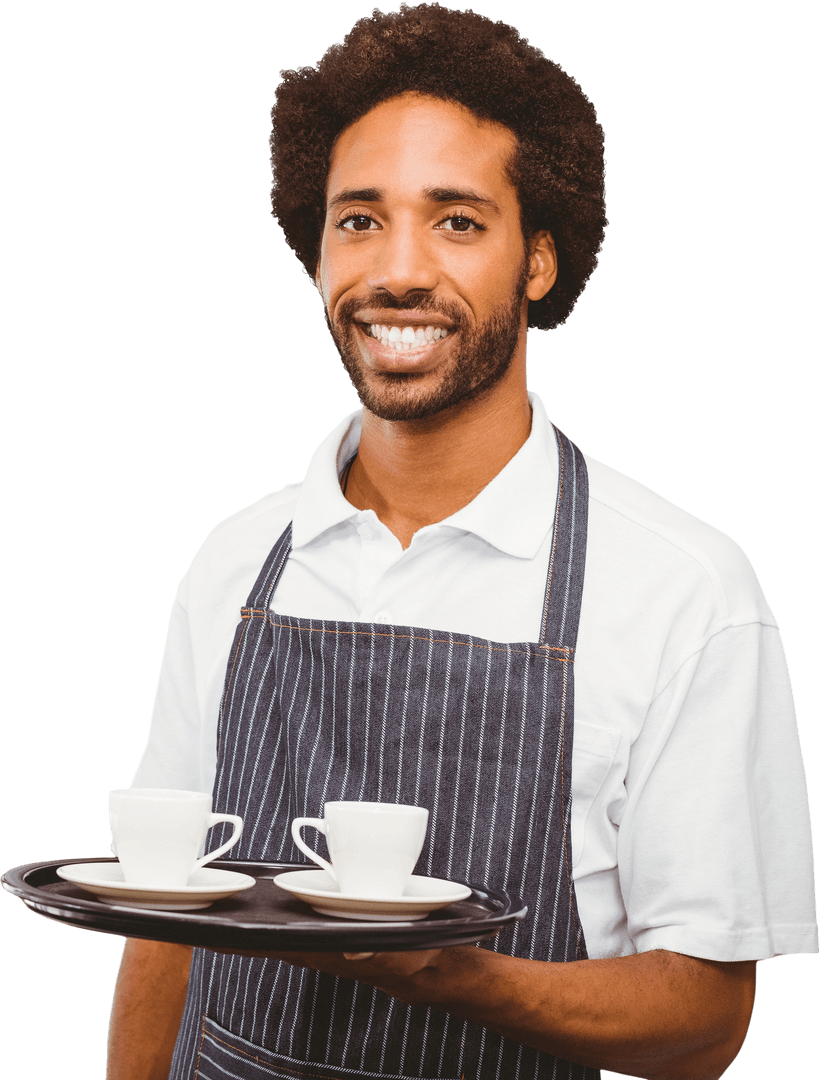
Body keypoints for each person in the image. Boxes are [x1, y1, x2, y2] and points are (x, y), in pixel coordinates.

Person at [106, 4, 817, 1079]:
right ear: (314, 254)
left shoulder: (682, 589)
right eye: (359, 219)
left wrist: (455, 974)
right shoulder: (236, 561)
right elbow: (164, 911)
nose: (399, 271)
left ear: (537, 258)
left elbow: (705, 1020)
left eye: (456, 221)